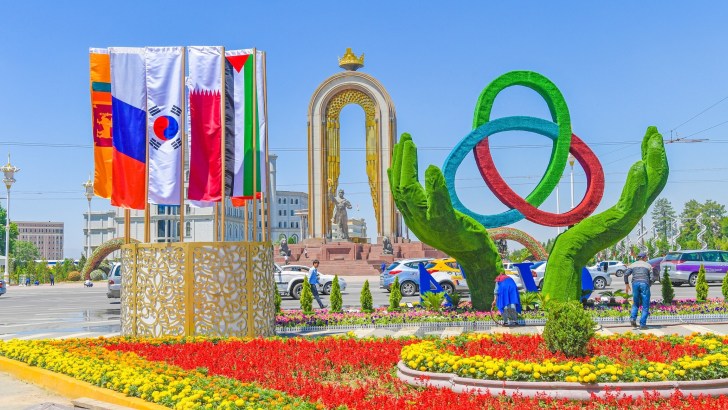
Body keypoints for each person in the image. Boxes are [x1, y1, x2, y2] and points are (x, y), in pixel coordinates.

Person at [624, 252, 653, 329]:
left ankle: (633, 318)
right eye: (646, 257)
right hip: (644, 283)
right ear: (644, 258)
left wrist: (627, 284)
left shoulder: (632, 265)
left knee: (635, 303)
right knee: (645, 305)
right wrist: (648, 284)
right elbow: (652, 278)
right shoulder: (648, 265)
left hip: (635, 284)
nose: (646, 258)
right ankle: (642, 324)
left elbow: (626, 274)